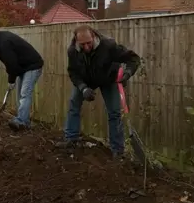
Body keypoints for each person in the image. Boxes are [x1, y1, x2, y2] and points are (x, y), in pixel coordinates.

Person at [56, 25, 141, 160]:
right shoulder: (73, 51)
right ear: (77, 41)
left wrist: (127, 74)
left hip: (108, 78)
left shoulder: (108, 46)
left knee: (114, 112)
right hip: (86, 80)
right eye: (82, 44)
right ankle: (71, 139)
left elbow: (133, 58)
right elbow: (73, 73)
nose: (87, 47)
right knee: (74, 103)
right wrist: (83, 88)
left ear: (94, 36)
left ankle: (117, 150)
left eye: (89, 43)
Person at [0, 27, 44, 131]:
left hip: (33, 65)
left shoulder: (4, 42)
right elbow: (8, 62)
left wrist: (11, 80)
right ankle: (25, 121)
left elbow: (11, 63)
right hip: (23, 67)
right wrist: (13, 77)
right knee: (20, 95)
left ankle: (21, 121)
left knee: (25, 94)